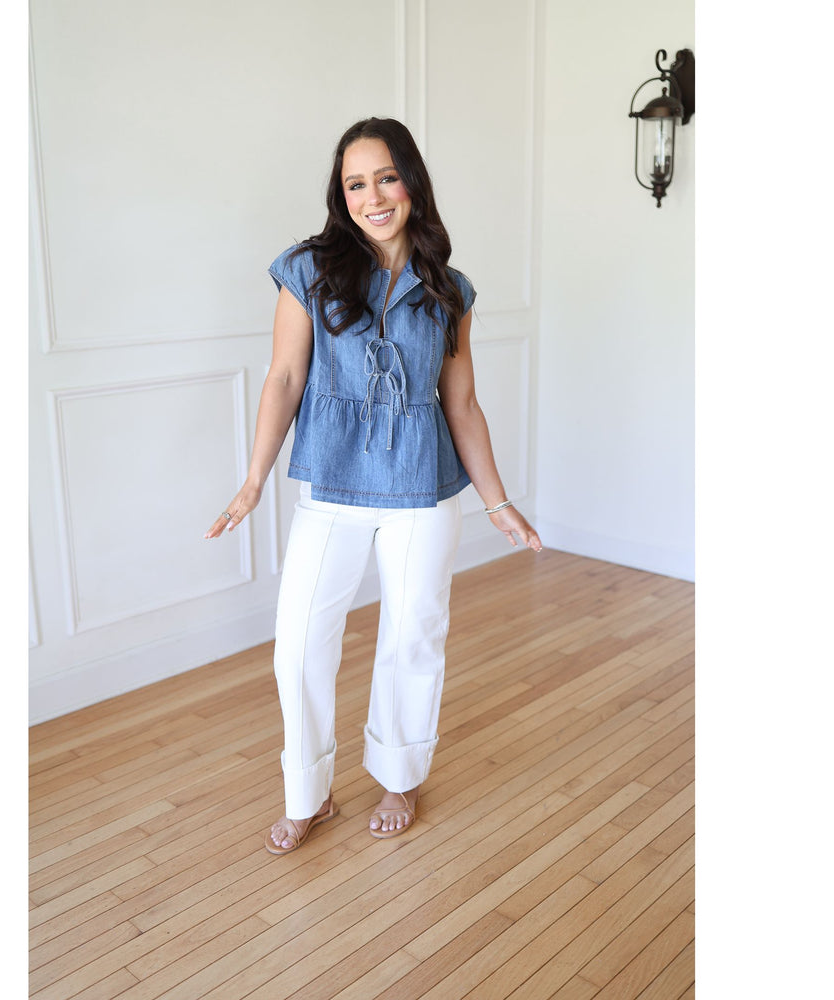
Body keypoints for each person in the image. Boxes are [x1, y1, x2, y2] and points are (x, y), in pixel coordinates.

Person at [205, 117, 542, 855]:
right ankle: (309, 793)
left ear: (411, 183)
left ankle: (399, 776)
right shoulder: (308, 269)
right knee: (299, 644)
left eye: (386, 178)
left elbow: (462, 404)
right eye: (355, 184)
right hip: (332, 485)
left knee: (413, 635)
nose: (373, 197)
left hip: (422, 491)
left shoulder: (449, 290)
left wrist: (498, 502)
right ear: (342, 195)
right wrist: (253, 480)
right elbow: (284, 377)